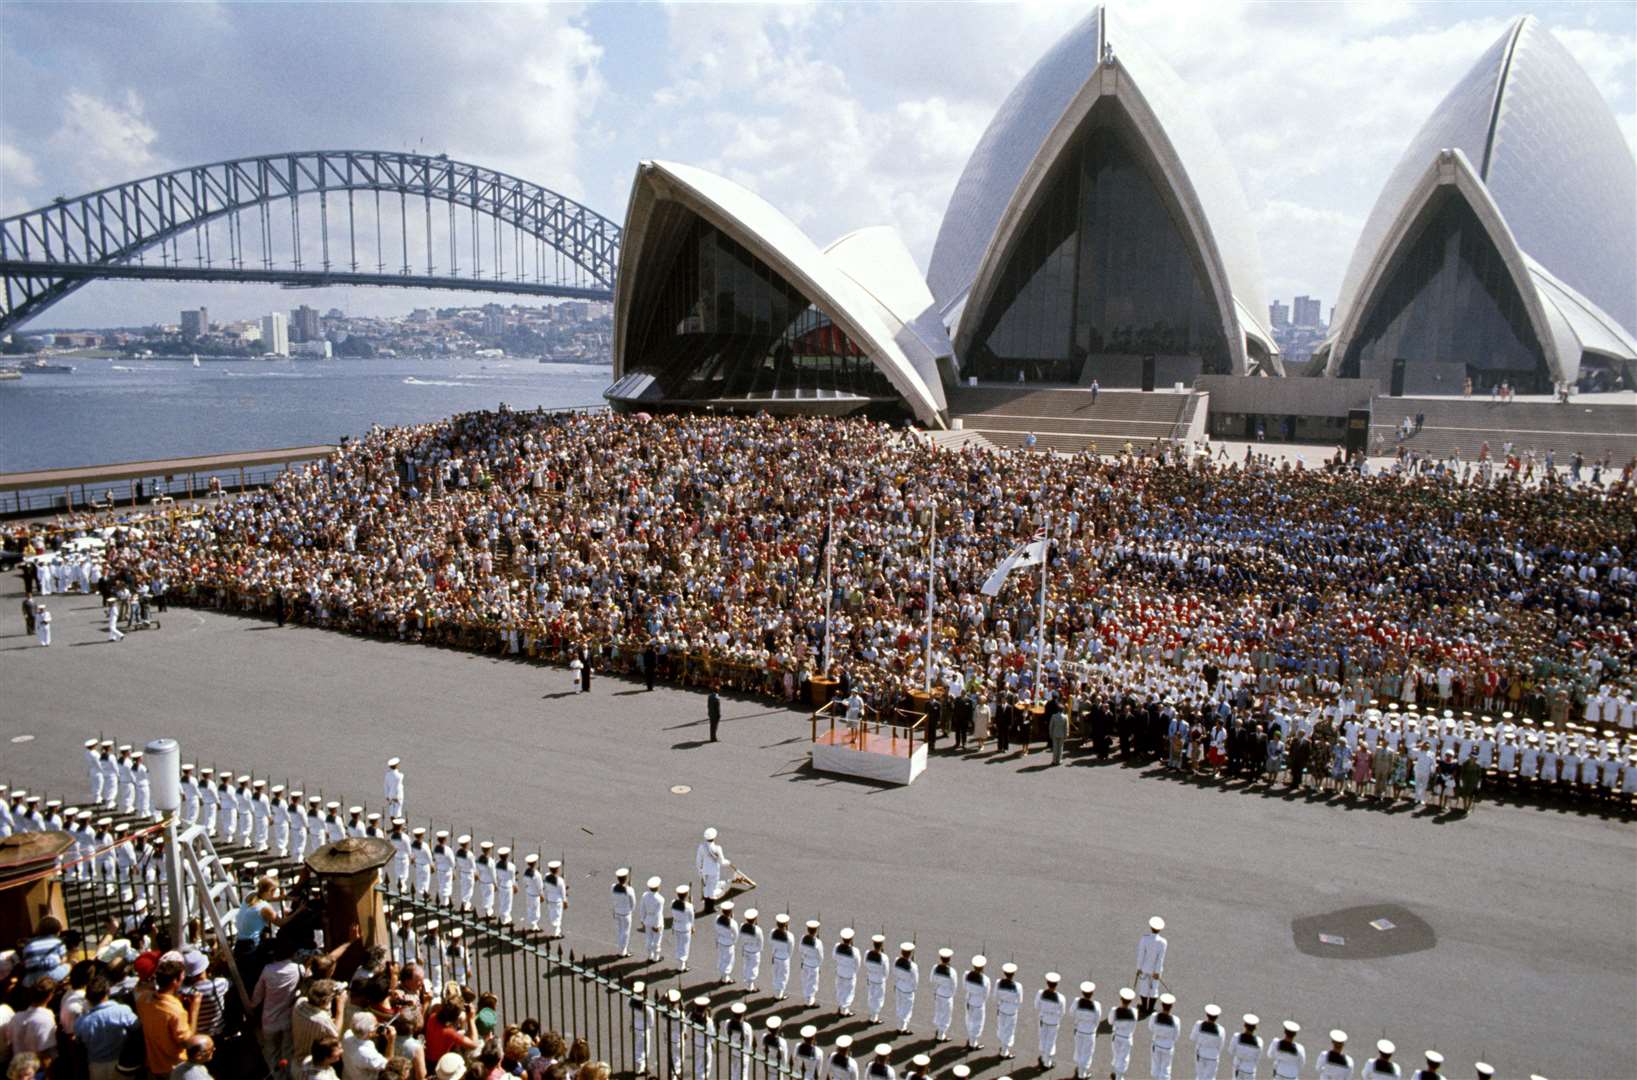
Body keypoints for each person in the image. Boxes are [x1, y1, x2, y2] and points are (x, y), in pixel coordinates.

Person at [137, 958, 199, 1080]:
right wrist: (195, 1008)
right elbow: (188, 1042)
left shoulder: (143, 999)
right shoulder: (176, 1012)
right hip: (174, 1068)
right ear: (175, 981)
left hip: (153, 1065)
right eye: (182, 977)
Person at [76, 974, 139, 1080]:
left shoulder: (81, 1022)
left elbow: (79, 1041)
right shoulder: (122, 1011)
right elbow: (137, 1027)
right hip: (121, 1064)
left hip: (96, 1067)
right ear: (107, 992)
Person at [342, 1011, 393, 1078]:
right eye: (376, 1025)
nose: (379, 1025)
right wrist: (391, 1041)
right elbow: (388, 1065)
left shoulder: (347, 1034)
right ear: (370, 1032)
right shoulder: (367, 1054)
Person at [1135, 916, 1167, 1016]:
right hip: (1155, 970)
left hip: (1145, 968)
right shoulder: (1163, 942)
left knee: (1144, 988)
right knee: (1154, 989)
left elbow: (1141, 954)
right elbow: (1160, 958)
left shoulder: (1145, 939)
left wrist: (1139, 968)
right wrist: (1157, 972)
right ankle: (1151, 1008)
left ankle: (1144, 1007)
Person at [1070, 981, 1101, 1080]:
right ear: (1092, 993)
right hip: (1090, 1032)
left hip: (1079, 1030)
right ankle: (1082, 1075)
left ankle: (1079, 1070)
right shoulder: (1096, 1005)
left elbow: (1071, 1013)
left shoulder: (1077, 1002)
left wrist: (1078, 1022)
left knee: (1079, 1051)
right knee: (1087, 1054)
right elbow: (1097, 1019)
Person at [1035, 971, 1065, 1070]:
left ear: (1047, 983)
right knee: (1050, 1042)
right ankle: (1047, 1063)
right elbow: (1062, 1012)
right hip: (1054, 1022)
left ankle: (1044, 1058)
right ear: (1056, 984)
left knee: (1043, 1039)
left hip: (1043, 1020)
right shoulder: (1061, 998)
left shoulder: (1040, 993)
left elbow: (1036, 1006)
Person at [1108, 988, 1139, 1079]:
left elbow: (1110, 1022)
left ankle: (1115, 1073)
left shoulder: (1114, 1010)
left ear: (1121, 999)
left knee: (1116, 1055)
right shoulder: (1134, 1012)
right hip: (1127, 1038)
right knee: (1124, 1059)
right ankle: (1119, 1077)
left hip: (1116, 1036)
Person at [961, 954, 990, 1050]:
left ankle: (970, 1039)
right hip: (978, 1003)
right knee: (977, 1023)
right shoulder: (985, 980)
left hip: (969, 1000)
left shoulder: (966, 974)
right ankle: (973, 1043)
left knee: (969, 1020)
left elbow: (964, 986)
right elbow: (986, 994)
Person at [1190, 1003, 1225, 1080]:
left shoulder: (1199, 1024)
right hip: (1213, 1056)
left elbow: (1193, 1038)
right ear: (1217, 1017)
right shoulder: (1221, 1030)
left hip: (1200, 1054)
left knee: (1199, 1076)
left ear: (1207, 1014)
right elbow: (1220, 1046)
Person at [891, 942, 918, 1034]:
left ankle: (900, 1025)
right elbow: (915, 980)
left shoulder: (896, 961)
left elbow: (894, 972)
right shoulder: (913, 966)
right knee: (906, 1010)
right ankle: (902, 1028)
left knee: (899, 1007)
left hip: (899, 986)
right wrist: (914, 989)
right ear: (910, 953)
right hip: (907, 990)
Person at [833, 928, 860, 1017]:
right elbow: (857, 964)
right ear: (851, 939)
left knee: (840, 990)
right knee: (848, 992)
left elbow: (834, 957)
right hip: (849, 974)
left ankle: (841, 1007)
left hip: (840, 972)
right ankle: (844, 1011)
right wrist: (854, 972)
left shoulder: (837, 947)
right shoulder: (855, 951)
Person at [639, 876, 666, 963]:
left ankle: (649, 955)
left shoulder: (645, 895)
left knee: (648, 938)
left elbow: (642, 908)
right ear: (658, 887)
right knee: (657, 940)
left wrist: (642, 920)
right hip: (656, 921)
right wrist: (657, 925)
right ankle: (656, 957)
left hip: (647, 919)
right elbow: (658, 913)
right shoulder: (660, 899)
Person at [611, 868, 636, 958]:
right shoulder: (629, 890)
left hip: (617, 911)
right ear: (625, 878)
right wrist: (631, 911)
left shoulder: (613, 887)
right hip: (626, 913)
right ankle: (622, 952)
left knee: (619, 931)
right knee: (625, 933)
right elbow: (633, 903)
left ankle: (621, 949)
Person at [799, 919, 824, 1008]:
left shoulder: (803, 939)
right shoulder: (818, 942)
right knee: (812, 985)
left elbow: (800, 950)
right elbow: (820, 956)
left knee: (805, 982)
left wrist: (803, 959)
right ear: (816, 930)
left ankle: (807, 999)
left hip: (805, 963)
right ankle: (809, 1002)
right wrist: (819, 965)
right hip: (813, 965)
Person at [671, 884, 696, 972]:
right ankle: (682, 966)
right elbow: (691, 917)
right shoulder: (689, 906)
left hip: (677, 926)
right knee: (684, 947)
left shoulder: (673, 903)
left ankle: (680, 963)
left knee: (678, 945)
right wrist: (693, 927)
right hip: (685, 928)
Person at [1230, 1015, 1263, 1080]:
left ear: (1245, 1025)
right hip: (1250, 1070)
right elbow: (1257, 1058)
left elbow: (1231, 1051)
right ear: (1255, 1028)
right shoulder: (1259, 1041)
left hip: (1238, 1067)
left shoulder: (1236, 1037)